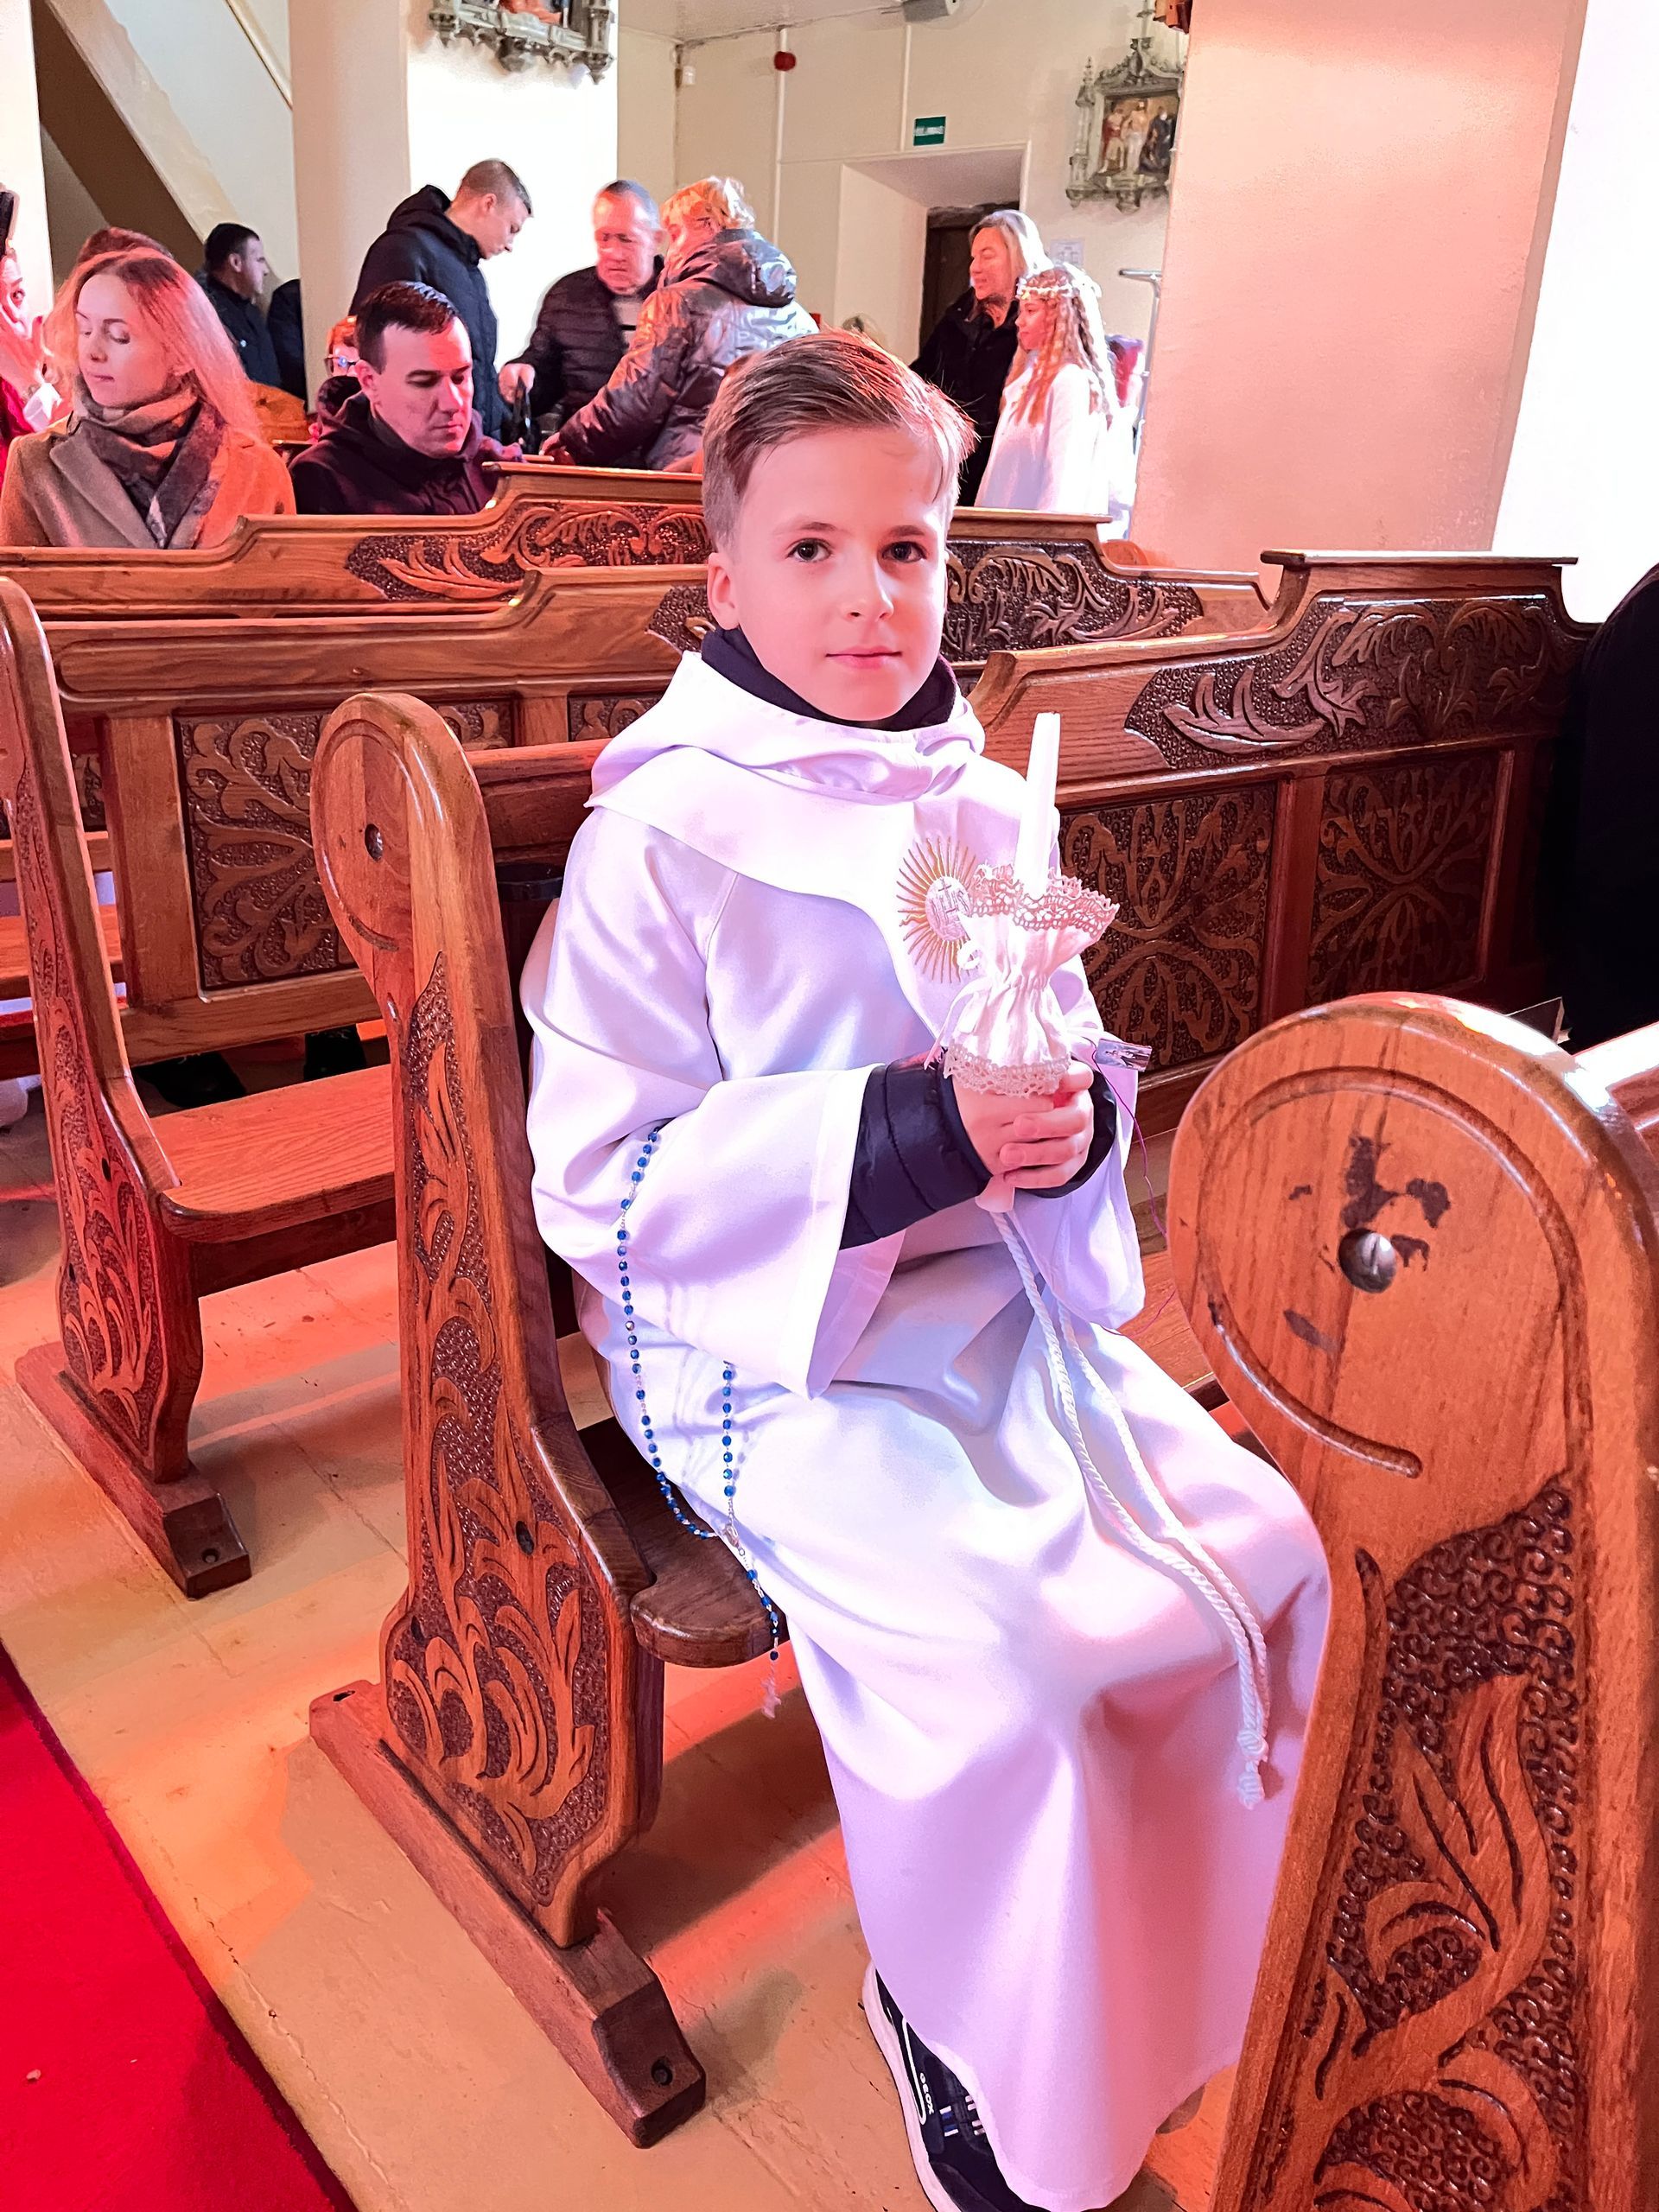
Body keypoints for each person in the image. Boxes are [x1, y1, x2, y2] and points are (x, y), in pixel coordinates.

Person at [522, 331, 1328, 2212]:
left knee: (1275, 1552)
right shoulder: (661, 837)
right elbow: (601, 1188)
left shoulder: (978, 800)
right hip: (769, 1349)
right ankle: (957, 2020)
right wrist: (913, 1137)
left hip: (995, 1305)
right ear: (725, 578)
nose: (868, 598)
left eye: (907, 549)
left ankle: (1168, 1995)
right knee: (1023, 1671)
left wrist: (1070, 1128)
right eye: (810, 551)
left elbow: (1063, 1044)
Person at [0, 245, 293, 550]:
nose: (92, 352)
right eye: (85, 330)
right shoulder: (36, 463)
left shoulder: (258, 469)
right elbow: (19, 579)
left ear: (181, 353)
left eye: (119, 336)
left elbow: (285, 578)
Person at [545, 175, 813, 473]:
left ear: (708, 226)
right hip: (775, 477)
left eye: (675, 235)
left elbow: (635, 401)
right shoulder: (801, 321)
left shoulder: (677, 303)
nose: (671, 252)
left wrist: (572, 443)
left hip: (688, 479)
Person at [289, 283, 504, 518]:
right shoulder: (322, 481)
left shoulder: (500, 470)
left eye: (460, 377)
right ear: (369, 381)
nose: (452, 403)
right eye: (424, 382)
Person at [353, 161, 531, 442]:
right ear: (488, 204)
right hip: (419, 448)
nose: (510, 245)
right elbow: (369, 351)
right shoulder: (402, 250)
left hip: (465, 443)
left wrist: (505, 429)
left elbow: (478, 367)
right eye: (512, 228)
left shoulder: (470, 272)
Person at [498, 180, 664, 451]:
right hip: (585, 453)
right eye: (604, 238)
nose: (614, 253)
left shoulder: (679, 296)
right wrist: (523, 376)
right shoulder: (567, 295)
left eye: (626, 239)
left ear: (656, 240)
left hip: (660, 458)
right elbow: (544, 374)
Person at [977, 264, 1135, 529]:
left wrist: (1047, 538)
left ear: (1058, 316)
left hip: (1036, 541)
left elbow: (1065, 478)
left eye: (1031, 311)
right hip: (1005, 536)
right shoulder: (1025, 382)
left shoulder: (1071, 382)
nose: (1019, 321)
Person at [912, 208, 1046, 503]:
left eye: (987, 256)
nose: (975, 268)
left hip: (1006, 475)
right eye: (973, 258)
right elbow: (922, 375)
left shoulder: (1036, 327)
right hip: (948, 469)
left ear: (1020, 258)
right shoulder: (961, 314)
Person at [1, 193, 66, 493]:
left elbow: (88, 482)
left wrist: (31, 385)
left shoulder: (61, 375)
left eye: (16, 295)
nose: (12, 319)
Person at [200, 222, 283, 388]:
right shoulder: (206, 315)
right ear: (236, 262)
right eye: (259, 260)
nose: (266, 270)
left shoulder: (251, 312)